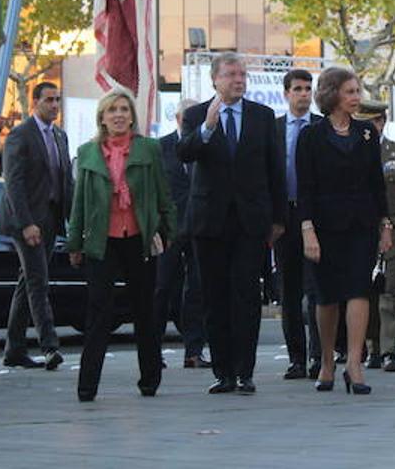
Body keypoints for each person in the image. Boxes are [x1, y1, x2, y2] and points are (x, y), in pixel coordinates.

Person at [177, 53, 285, 395]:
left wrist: (278, 218)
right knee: (214, 296)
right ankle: (223, 371)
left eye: (242, 74)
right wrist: (208, 128)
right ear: (215, 80)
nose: (238, 80)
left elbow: (275, 169)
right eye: (231, 74)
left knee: (246, 296)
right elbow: (184, 153)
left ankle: (245, 371)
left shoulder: (263, 116)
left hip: (250, 221)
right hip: (209, 221)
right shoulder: (197, 115)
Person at [66, 89, 176, 401]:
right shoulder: (88, 152)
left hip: (139, 239)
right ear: (102, 116)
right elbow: (79, 204)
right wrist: (74, 243)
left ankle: (150, 380)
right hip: (102, 241)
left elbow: (162, 193)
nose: (118, 115)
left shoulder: (148, 149)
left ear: (132, 116)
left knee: (145, 310)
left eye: (124, 110)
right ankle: (87, 386)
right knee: (99, 310)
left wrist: (169, 232)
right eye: (112, 110)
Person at [296, 68, 391, 394]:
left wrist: (385, 224)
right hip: (323, 227)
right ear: (333, 94)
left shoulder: (367, 133)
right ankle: (326, 360)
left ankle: (354, 363)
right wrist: (307, 229)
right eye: (350, 91)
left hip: (361, 226)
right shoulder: (311, 135)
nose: (356, 98)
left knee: (359, 290)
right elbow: (304, 188)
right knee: (326, 297)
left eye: (357, 91)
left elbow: (377, 185)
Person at [0, 82, 73, 371]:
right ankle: (49, 346)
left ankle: (14, 348)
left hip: (51, 219)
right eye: (49, 100)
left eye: (58, 100)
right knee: (38, 281)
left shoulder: (60, 136)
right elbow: (13, 184)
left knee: (27, 282)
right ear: (35, 103)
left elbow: (67, 180)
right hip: (26, 222)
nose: (55, 105)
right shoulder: (21, 135)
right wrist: (26, 223)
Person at [356, 100, 395, 372]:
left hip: (393, 230)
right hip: (359, 231)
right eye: (365, 123)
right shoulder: (349, 152)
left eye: (375, 122)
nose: (371, 128)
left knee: (390, 293)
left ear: (383, 121)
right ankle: (371, 349)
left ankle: (390, 351)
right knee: (364, 294)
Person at [154, 99, 209, 369]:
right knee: (162, 287)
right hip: (169, 229)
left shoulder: (206, 145)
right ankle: (153, 349)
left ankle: (194, 351)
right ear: (177, 118)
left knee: (197, 289)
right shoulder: (160, 147)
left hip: (200, 225)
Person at [275, 69, 322, 380]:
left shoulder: (321, 127)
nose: (303, 94)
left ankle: (320, 355)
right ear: (286, 93)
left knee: (316, 290)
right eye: (298, 89)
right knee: (289, 292)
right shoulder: (274, 128)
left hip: (316, 219)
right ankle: (296, 358)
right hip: (284, 218)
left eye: (308, 89)